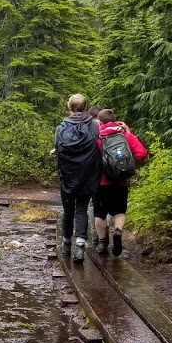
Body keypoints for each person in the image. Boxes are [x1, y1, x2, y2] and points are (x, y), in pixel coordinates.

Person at [94, 109, 147, 257]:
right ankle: (117, 231)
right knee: (119, 211)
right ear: (115, 120)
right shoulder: (124, 135)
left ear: (100, 122)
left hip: (102, 182)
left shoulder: (97, 137)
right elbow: (141, 152)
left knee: (100, 214)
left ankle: (103, 242)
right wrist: (133, 165)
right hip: (121, 181)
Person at [54, 94, 101, 263]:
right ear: (85, 106)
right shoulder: (94, 125)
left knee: (68, 210)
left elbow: (58, 149)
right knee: (82, 208)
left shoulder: (62, 127)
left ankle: (66, 243)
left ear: (69, 107)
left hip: (67, 175)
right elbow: (99, 146)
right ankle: (80, 244)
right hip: (88, 175)